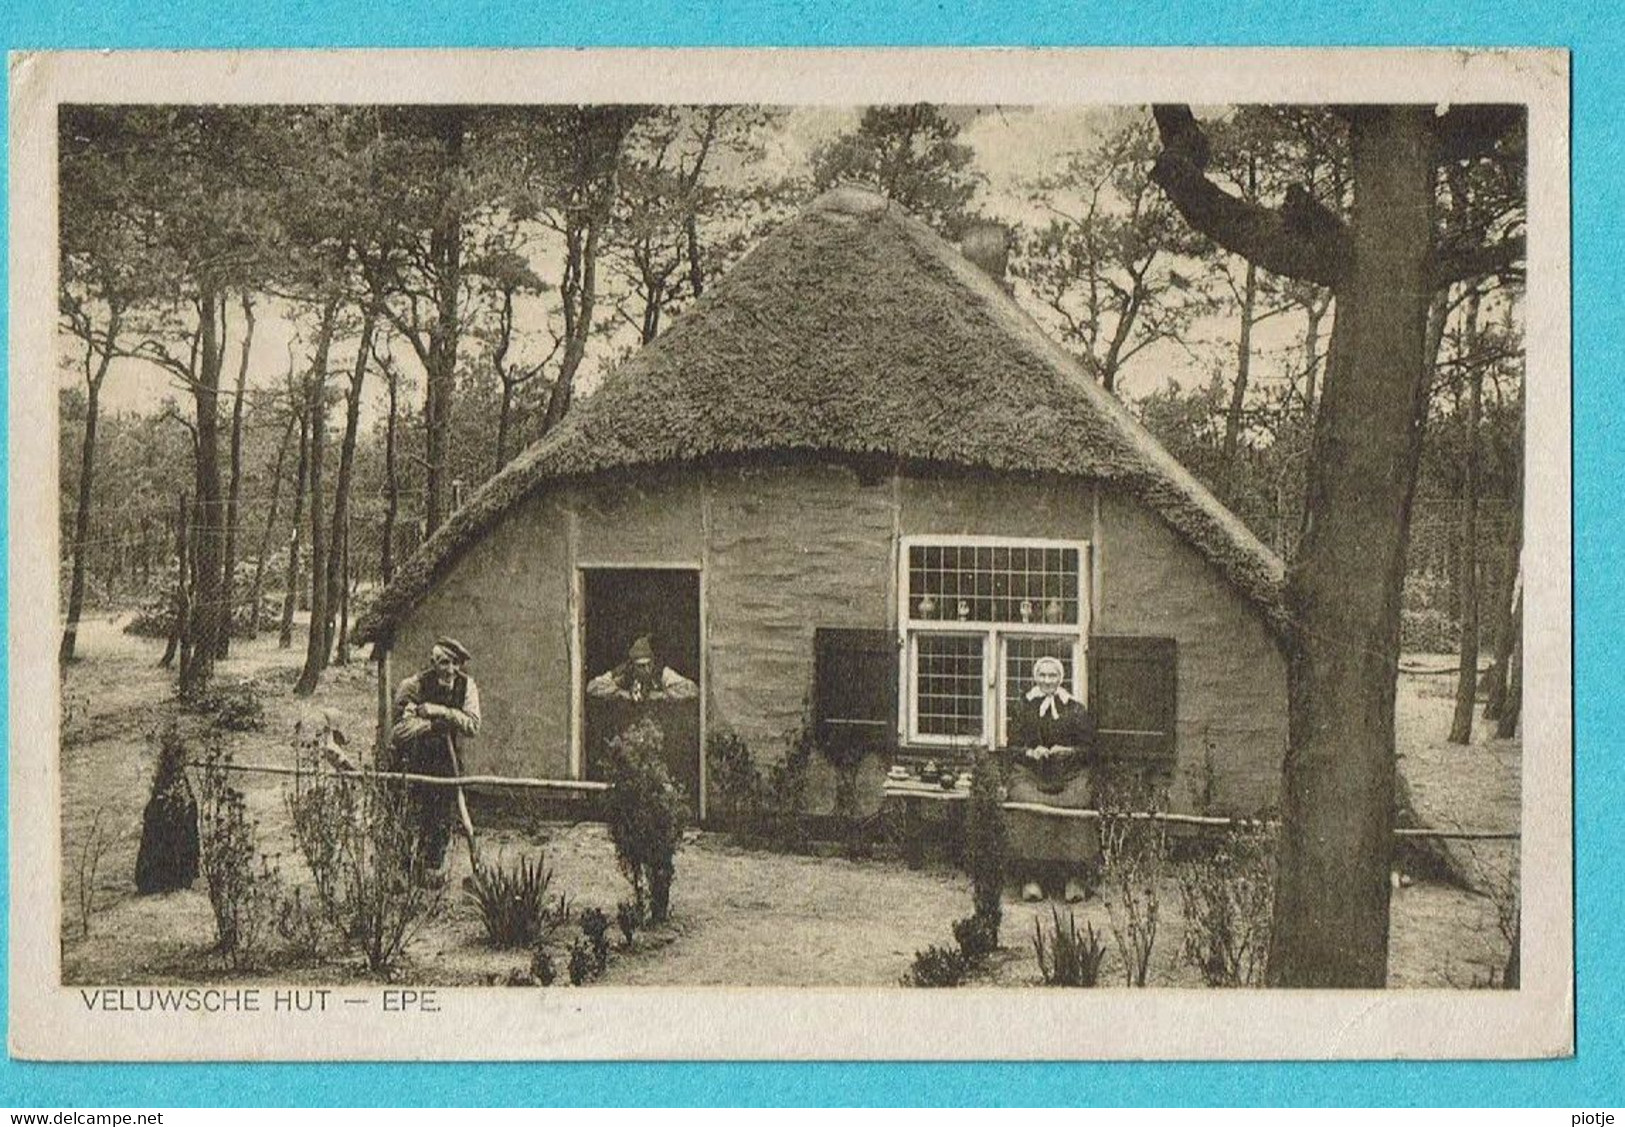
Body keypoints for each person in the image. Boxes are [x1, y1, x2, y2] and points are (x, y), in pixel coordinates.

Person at [1004, 655, 1100, 903]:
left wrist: (1068, 752)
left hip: (1068, 775)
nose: (1048, 680)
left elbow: (1090, 750)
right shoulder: (1023, 707)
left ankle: (1074, 878)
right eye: (1043, 675)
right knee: (1027, 804)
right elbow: (1011, 747)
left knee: (1076, 804)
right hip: (1032, 773)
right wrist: (1030, 752)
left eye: (1053, 675)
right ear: (1035, 678)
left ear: (1061, 678)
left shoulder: (1075, 709)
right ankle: (1031, 877)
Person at [388, 637, 482, 876]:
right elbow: (399, 731)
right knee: (409, 814)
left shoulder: (466, 686)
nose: (450, 670)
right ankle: (403, 871)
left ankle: (430, 871)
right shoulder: (414, 685)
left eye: (455, 664)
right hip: (413, 760)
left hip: (446, 761)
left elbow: (472, 725)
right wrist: (432, 727)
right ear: (432, 663)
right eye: (443, 663)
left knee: (440, 817)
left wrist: (441, 712)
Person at [586, 634, 698, 703]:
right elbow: (592, 687)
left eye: (648, 664)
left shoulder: (661, 672)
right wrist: (619, 692)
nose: (646, 669)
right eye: (640, 666)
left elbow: (692, 690)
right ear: (633, 664)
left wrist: (662, 695)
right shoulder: (624, 671)